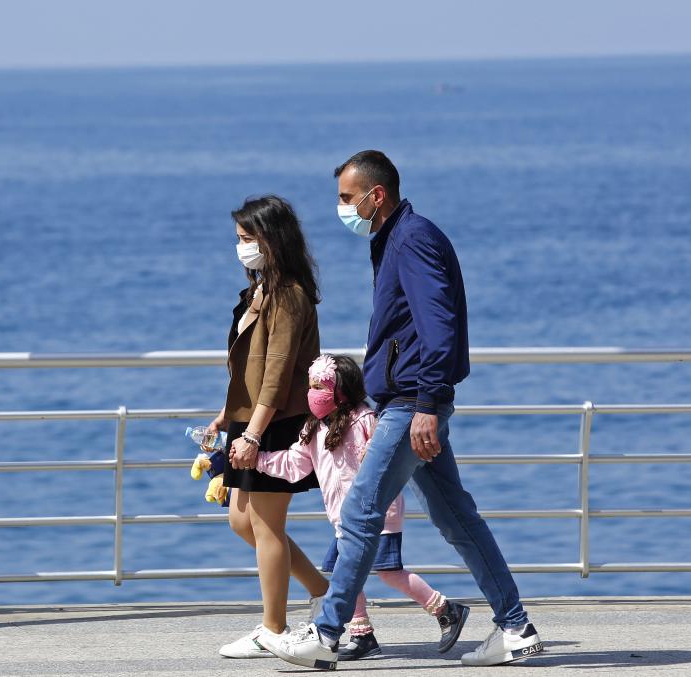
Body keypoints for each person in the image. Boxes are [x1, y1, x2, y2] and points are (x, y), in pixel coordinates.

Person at [260, 151, 543, 669]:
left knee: (361, 511)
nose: (342, 207)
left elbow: (439, 326)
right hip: (411, 400)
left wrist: (428, 405)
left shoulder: (411, 240)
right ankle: (515, 626)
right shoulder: (394, 239)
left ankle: (325, 635)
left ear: (377, 195)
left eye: (347, 198)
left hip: (412, 403)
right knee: (457, 516)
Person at [256, 354, 471, 660]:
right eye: (311, 385)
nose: (313, 392)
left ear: (341, 390)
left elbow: (385, 463)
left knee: (388, 572)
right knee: (344, 572)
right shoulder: (314, 429)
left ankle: (445, 609)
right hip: (343, 518)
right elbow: (293, 465)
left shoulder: (366, 420)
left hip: (379, 514)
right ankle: (362, 633)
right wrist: (257, 461)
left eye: (321, 385)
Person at [205, 195, 331, 659]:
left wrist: (253, 434)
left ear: (271, 239)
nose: (240, 248)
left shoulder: (291, 295)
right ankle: (325, 592)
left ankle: (273, 629)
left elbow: (277, 373)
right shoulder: (260, 290)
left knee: (265, 524)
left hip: (274, 421)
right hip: (248, 417)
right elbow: (248, 365)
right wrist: (227, 413)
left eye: (246, 239)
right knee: (243, 522)